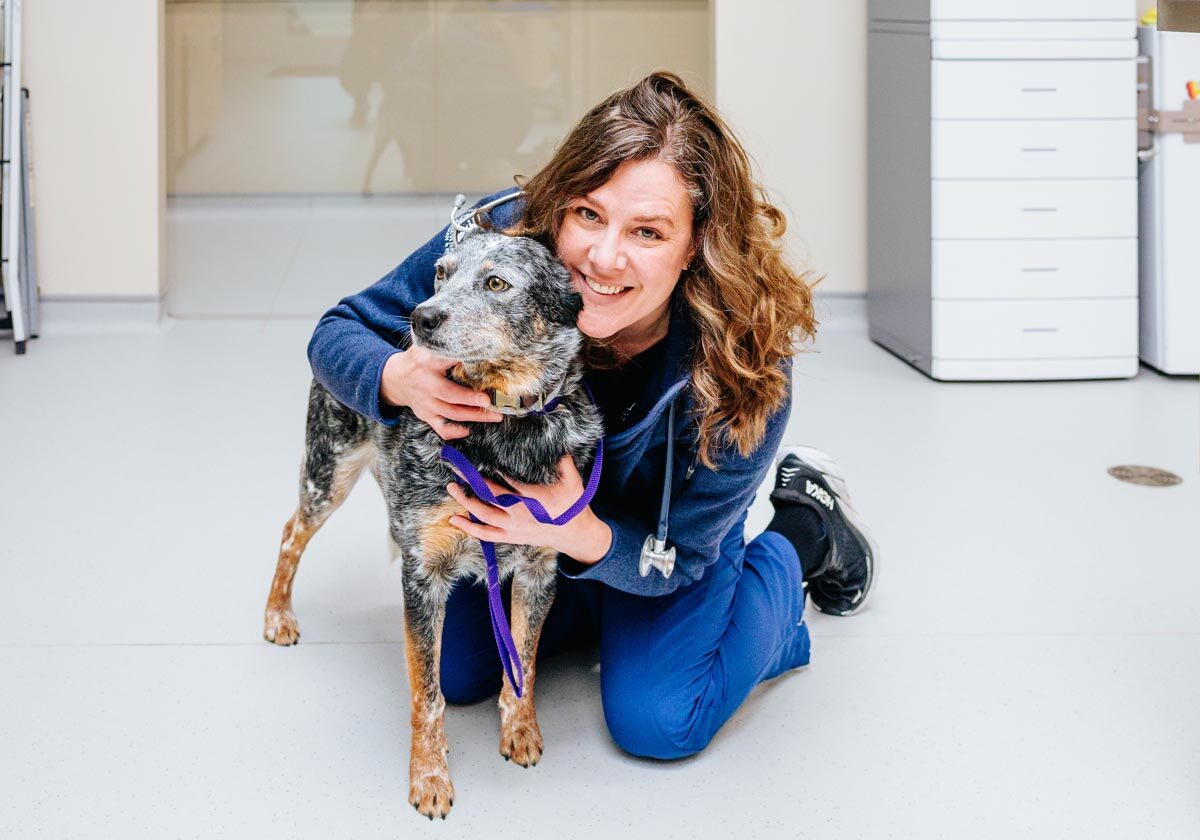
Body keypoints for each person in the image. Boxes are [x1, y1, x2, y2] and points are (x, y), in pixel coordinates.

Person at [308, 71, 877, 760]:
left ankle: (806, 530)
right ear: (558, 204)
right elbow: (339, 330)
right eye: (587, 214)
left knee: (659, 720)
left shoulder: (744, 358)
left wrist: (585, 535)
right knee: (459, 674)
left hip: (649, 538)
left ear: (696, 241)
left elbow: (687, 554)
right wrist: (394, 377)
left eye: (647, 231)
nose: (604, 258)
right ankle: (600, 609)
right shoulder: (506, 235)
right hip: (525, 520)